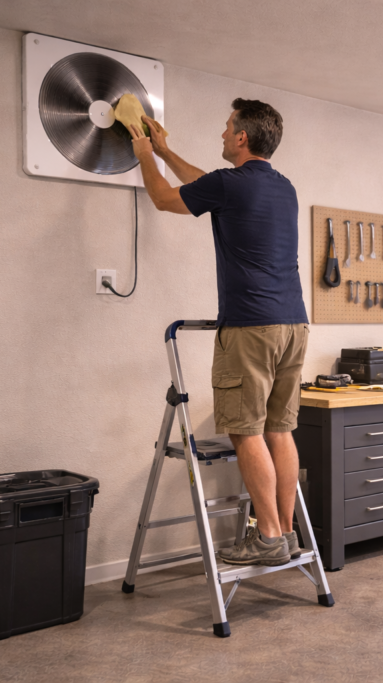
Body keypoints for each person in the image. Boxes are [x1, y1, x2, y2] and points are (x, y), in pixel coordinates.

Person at [129, 99, 307, 567]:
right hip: (294, 324)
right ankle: (286, 533)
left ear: (243, 137)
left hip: (251, 325)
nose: (223, 134)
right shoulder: (282, 187)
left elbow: (165, 198)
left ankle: (266, 536)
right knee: (280, 430)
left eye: (228, 128)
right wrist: (165, 152)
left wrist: (144, 154)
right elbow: (206, 185)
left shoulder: (229, 185)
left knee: (245, 431)